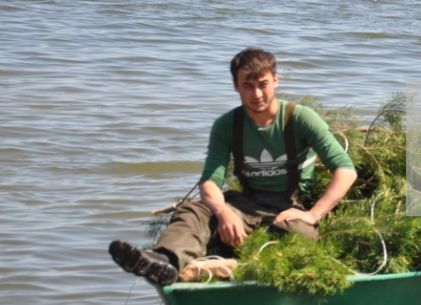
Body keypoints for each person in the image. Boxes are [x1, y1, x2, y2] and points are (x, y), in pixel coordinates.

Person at [109, 48, 357, 285]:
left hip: (286, 207)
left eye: (263, 84)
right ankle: (166, 261)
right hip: (245, 203)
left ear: (276, 81)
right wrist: (223, 212)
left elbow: (345, 170)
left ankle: (255, 263)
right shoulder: (227, 125)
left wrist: (313, 214)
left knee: (302, 236)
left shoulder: (299, 118)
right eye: (248, 86)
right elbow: (210, 182)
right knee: (194, 210)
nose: (257, 94)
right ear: (236, 87)